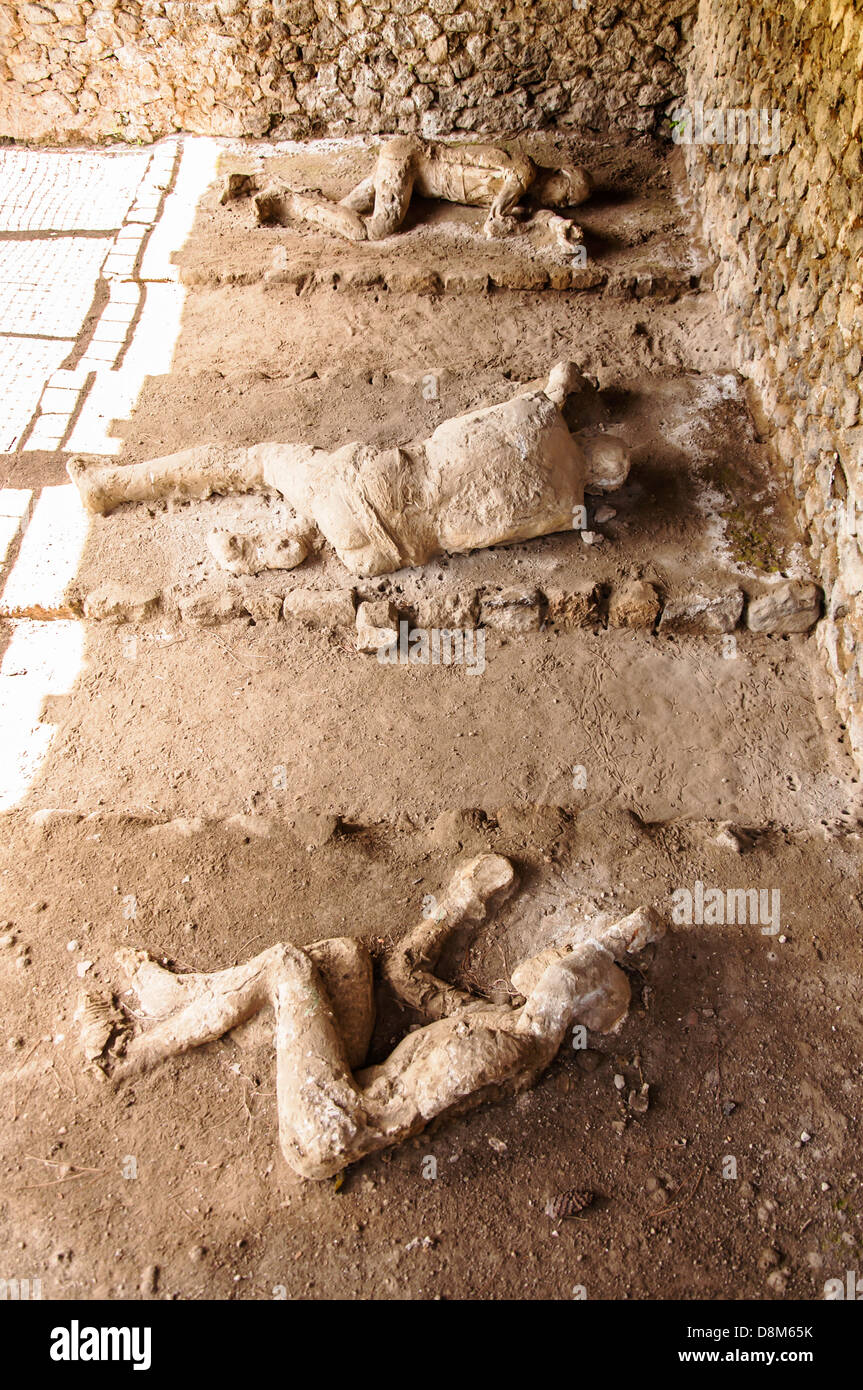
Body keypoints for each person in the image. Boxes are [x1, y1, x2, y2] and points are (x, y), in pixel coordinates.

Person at [108, 853, 664, 1179]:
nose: (550, 956)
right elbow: (406, 974)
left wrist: (623, 939)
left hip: (329, 1127)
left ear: (576, 1005)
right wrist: (460, 904)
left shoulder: (520, 1046)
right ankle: (246, 1020)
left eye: (557, 958)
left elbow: (564, 983)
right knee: (347, 960)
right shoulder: (491, 1017)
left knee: (287, 965)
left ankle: (144, 1044)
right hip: (350, 1087)